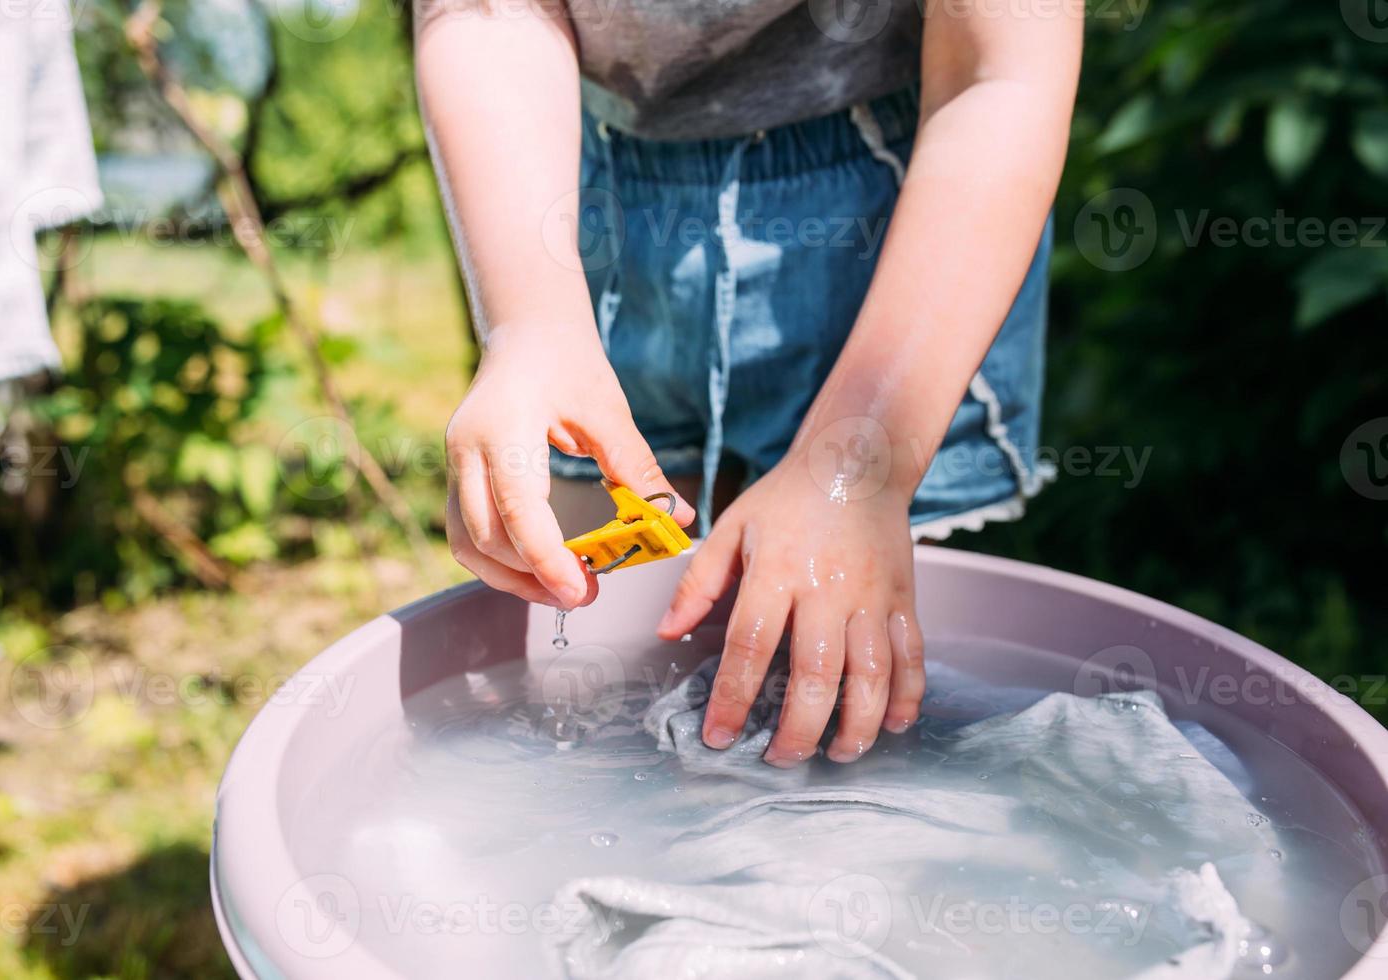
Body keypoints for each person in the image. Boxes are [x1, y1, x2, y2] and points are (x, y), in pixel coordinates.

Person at [418, 0, 1083, 767]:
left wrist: (859, 458)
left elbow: (997, 76)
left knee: (858, 690)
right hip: (566, 206)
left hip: (901, 244)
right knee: (594, 665)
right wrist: (528, 325)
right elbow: (486, 13)